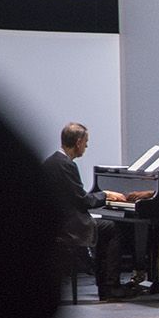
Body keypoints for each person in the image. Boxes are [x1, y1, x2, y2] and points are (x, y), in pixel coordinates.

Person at [42, 122, 137, 300]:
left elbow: (76, 197)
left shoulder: (54, 161)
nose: (86, 146)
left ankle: (105, 285)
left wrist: (102, 196)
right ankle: (110, 286)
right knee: (112, 228)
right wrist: (106, 194)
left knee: (105, 227)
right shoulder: (66, 165)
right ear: (78, 142)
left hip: (59, 220)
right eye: (86, 142)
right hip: (68, 226)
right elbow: (83, 201)